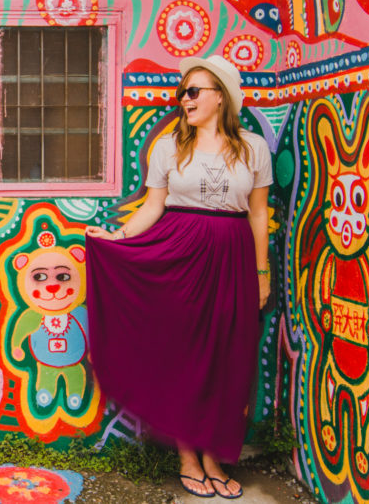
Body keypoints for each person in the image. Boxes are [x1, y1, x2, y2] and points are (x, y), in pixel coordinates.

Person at [84, 55, 271, 499]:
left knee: (227, 356)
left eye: (193, 91)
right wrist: (118, 235)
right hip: (179, 254)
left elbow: (260, 213)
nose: (183, 99)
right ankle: (188, 456)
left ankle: (214, 457)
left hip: (232, 256)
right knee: (185, 355)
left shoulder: (253, 147)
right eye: (181, 92)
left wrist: (262, 273)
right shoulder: (169, 146)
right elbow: (153, 206)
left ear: (220, 96)